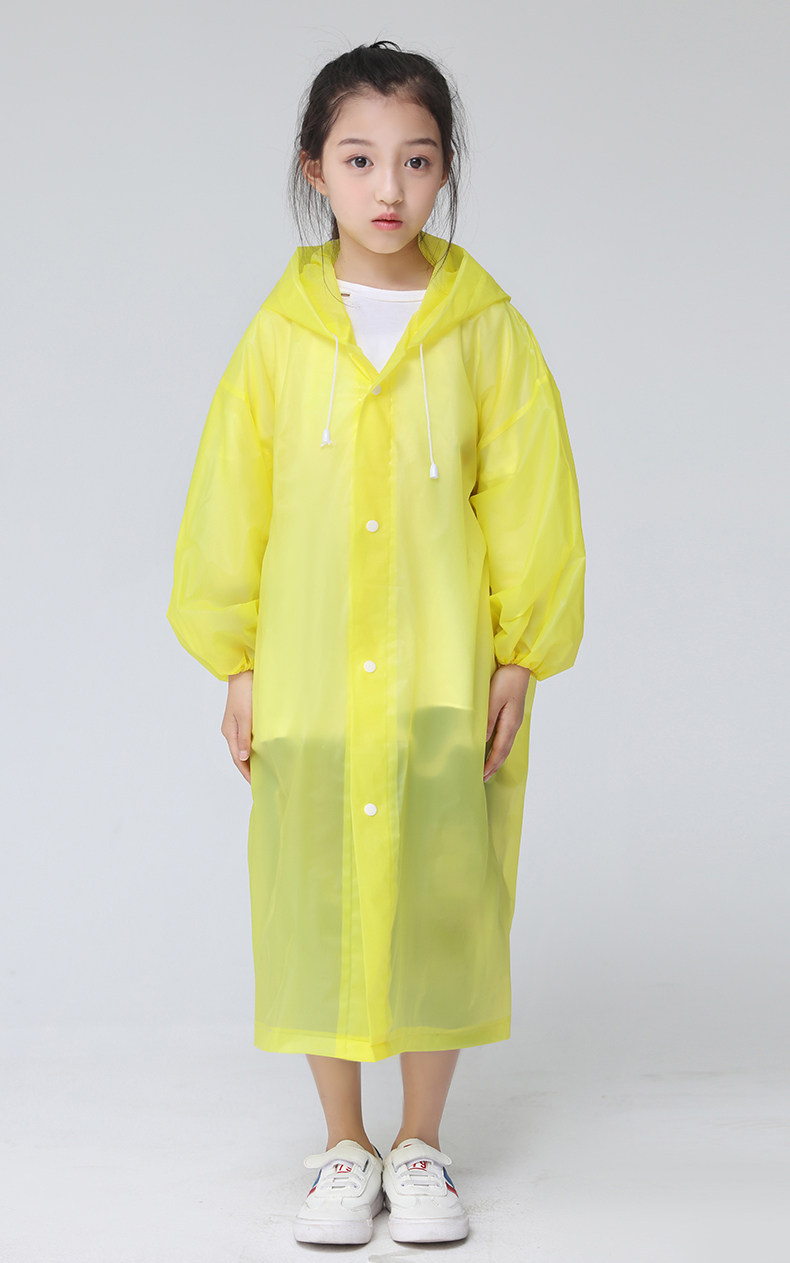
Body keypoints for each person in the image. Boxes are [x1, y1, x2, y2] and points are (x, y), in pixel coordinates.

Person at [166, 38, 585, 1249]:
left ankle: (422, 1142)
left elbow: (531, 498)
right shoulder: (281, 335)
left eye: (415, 159)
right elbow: (232, 500)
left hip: (442, 668)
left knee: (444, 891)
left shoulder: (484, 330)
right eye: (358, 160)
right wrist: (237, 663)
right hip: (307, 673)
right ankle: (343, 1144)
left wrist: (519, 654)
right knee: (316, 892)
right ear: (315, 170)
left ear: (445, 170)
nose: (388, 187)